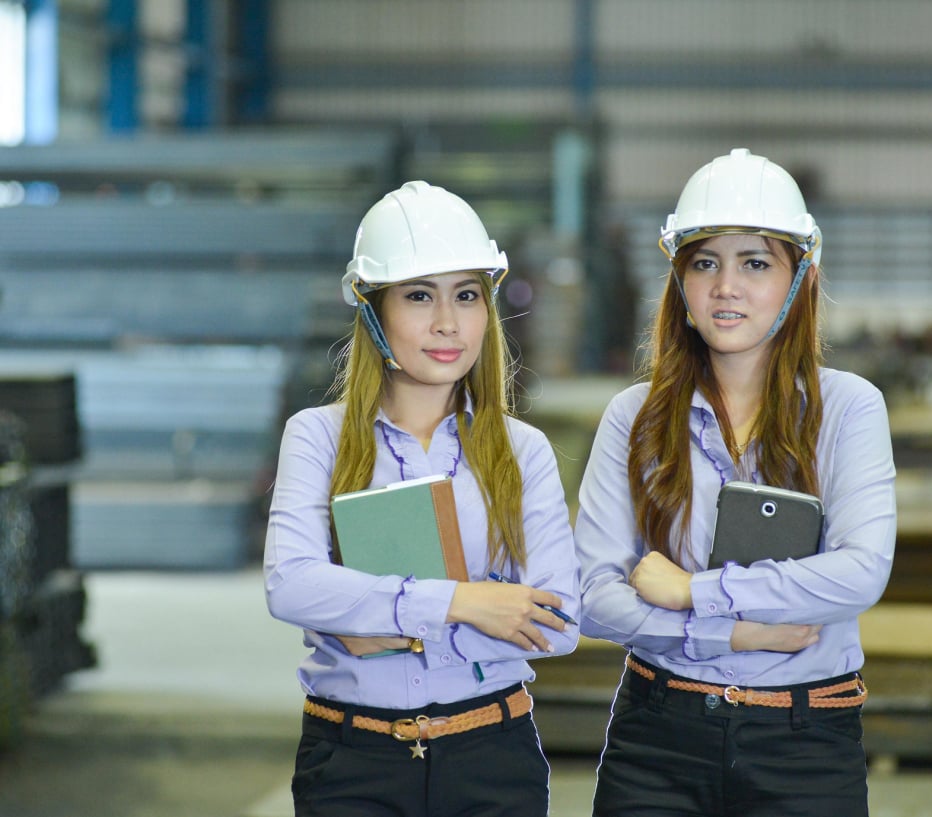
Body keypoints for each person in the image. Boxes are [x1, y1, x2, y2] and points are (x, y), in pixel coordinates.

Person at [574, 148, 896, 817]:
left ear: (798, 277)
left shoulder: (848, 409)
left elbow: (858, 574)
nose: (726, 285)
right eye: (704, 262)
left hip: (803, 743)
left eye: (754, 262)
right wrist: (729, 631)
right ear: (679, 282)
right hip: (657, 741)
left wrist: (692, 590)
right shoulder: (633, 417)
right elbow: (592, 597)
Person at [264, 180, 580, 817]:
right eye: (417, 296)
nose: (447, 322)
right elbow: (291, 586)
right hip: (353, 762)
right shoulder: (318, 438)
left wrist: (377, 619)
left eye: (466, 296)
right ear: (371, 309)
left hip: (492, 756)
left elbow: (559, 622)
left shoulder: (523, 451)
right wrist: (468, 602)